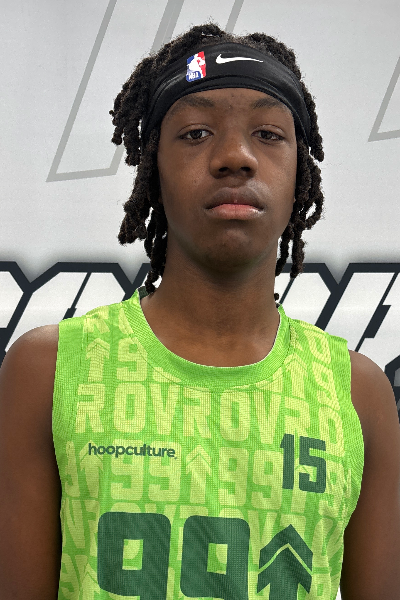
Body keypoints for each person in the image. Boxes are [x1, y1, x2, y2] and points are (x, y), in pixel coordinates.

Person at [0, 21, 399, 600]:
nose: (235, 156)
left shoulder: (357, 395)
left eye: (268, 133)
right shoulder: (49, 370)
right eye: (196, 133)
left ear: (299, 171)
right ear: (154, 167)